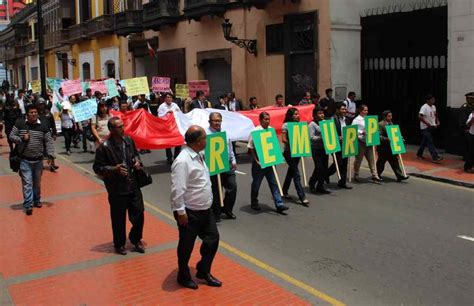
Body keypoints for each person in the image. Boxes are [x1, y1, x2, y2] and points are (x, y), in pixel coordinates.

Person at [171, 125, 222, 290]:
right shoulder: (182, 161)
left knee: (212, 239)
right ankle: (183, 276)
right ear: (198, 141)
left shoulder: (199, 155)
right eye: (205, 138)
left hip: (205, 210)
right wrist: (181, 212)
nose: (207, 140)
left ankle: (203, 270)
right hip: (190, 212)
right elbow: (177, 190)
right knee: (186, 246)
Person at [93, 117, 146, 255]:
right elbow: (97, 168)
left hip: (133, 185)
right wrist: (113, 169)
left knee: (139, 213)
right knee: (118, 218)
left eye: (123, 126)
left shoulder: (128, 141)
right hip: (117, 188)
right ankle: (119, 244)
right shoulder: (104, 147)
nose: (123, 129)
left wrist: (137, 162)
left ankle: (136, 239)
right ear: (112, 130)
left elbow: (136, 155)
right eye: (119, 127)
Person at [9, 104, 55, 215]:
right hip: (24, 160)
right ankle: (28, 205)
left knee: (37, 183)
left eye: (35, 112)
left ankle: (37, 200)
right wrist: (21, 138)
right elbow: (11, 136)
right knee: (27, 183)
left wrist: (50, 155)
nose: (34, 114)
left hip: (38, 161)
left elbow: (48, 141)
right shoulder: (20, 123)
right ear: (27, 114)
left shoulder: (43, 126)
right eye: (31, 112)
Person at [248, 112, 289, 213]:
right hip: (260, 163)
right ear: (260, 120)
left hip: (270, 162)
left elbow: (274, 145)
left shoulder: (271, 130)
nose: (267, 121)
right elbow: (250, 148)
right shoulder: (255, 131)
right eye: (265, 119)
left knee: (274, 183)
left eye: (268, 119)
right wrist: (256, 160)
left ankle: (279, 204)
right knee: (256, 183)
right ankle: (254, 202)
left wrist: (279, 157)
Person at [207, 112, 237, 222]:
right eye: (215, 121)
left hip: (227, 164)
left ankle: (227, 209)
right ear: (210, 122)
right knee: (215, 190)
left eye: (219, 120)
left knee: (232, 186)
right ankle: (216, 212)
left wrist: (233, 160)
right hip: (214, 166)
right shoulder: (206, 134)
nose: (217, 123)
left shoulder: (225, 133)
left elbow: (230, 148)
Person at [281, 108, 309, 206]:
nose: (298, 115)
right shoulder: (286, 125)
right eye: (295, 114)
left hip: (297, 152)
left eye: (298, 114)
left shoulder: (300, 125)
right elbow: (283, 139)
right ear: (291, 115)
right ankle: (302, 196)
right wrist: (293, 143)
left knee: (291, 172)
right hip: (289, 153)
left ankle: (284, 190)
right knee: (296, 174)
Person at [376, 110, 409, 181]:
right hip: (383, 148)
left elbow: (396, 133)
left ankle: (400, 176)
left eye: (391, 116)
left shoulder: (391, 124)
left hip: (391, 147)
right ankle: (377, 175)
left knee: (394, 161)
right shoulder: (380, 124)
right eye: (389, 116)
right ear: (385, 117)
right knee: (381, 163)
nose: (391, 117)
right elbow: (379, 136)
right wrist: (386, 139)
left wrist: (401, 139)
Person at [352, 105, 382, 183]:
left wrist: (376, 132)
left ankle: (375, 175)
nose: (366, 112)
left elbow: (374, 128)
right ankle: (356, 174)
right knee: (358, 159)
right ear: (360, 111)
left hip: (369, 142)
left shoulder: (370, 119)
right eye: (364, 110)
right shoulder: (356, 120)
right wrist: (361, 132)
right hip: (360, 142)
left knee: (372, 159)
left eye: (367, 110)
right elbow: (352, 129)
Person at [327, 102, 352, 189]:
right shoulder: (332, 119)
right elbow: (329, 132)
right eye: (342, 109)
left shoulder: (347, 120)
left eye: (345, 109)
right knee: (338, 163)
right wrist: (337, 137)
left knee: (344, 163)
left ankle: (342, 182)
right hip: (336, 144)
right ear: (337, 110)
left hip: (346, 144)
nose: (344, 111)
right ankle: (326, 174)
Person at [308, 107, 330, 193]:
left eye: (322, 113)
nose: (322, 115)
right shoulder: (312, 125)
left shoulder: (325, 123)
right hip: (316, 149)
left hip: (324, 149)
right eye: (319, 113)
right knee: (319, 168)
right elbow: (311, 137)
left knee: (324, 168)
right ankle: (312, 182)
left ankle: (320, 186)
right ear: (314, 115)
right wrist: (321, 138)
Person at [417, 94, 443, 163]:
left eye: (434, 100)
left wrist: (437, 121)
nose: (433, 101)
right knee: (430, 141)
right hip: (425, 127)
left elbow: (435, 114)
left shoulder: (433, 107)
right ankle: (435, 157)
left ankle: (419, 154)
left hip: (432, 126)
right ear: (428, 100)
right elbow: (420, 116)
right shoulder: (424, 107)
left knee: (425, 141)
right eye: (432, 100)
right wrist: (427, 123)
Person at [158, 93, 182, 164]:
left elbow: (180, 114)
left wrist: (176, 112)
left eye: (170, 97)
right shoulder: (161, 106)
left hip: (175, 127)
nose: (169, 99)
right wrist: (167, 112)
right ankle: (169, 158)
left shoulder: (175, 105)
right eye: (167, 97)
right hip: (166, 127)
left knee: (178, 142)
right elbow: (159, 116)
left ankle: (176, 157)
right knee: (168, 143)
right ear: (165, 99)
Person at [37, 98, 59, 172]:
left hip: (48, 134)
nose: (41, 106)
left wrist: (54, 133)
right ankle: (40, 165)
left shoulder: (49, 114)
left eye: (42, 104)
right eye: (40, 104)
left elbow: (53, 124)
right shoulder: (35, 114)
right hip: (38, 134)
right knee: (40, 151)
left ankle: (52, 164)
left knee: (51, 149)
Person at [464, 109, 474, 173]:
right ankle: (467, 167)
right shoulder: (472, 114)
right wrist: (472, 120)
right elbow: (467, 125)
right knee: (471, 152)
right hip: (472, 135)